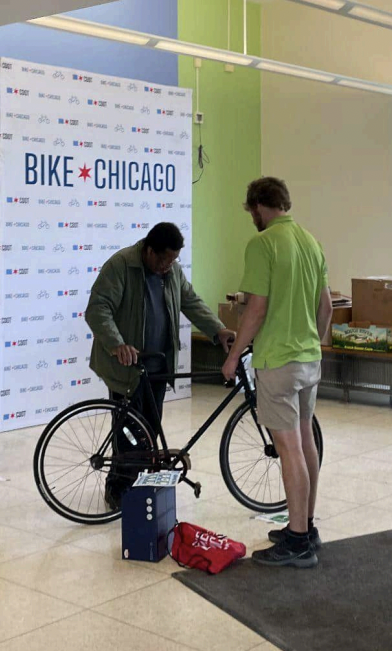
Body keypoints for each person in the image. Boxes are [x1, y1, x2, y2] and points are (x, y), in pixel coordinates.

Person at [222, 177, 331, 568]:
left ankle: (297, 540)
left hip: (276, 362)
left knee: (288, 449)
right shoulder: (311, 242)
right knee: (305, 442)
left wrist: (234, 355)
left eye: (250, 211)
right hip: (308, 359)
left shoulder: (263, 244)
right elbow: (326, 308)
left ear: (257, 207)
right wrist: (311, 343)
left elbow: (256, 309)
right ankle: (306, 525)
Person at [87, 222, 236, 508]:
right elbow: (98, 308)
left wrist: (218, 330)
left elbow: (190, 301)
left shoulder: (172, 272)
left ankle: (139, 483)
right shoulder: (121, 265)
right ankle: (117, 487)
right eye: (164, 259)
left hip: (157, 365)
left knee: (149, 431)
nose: (168, 265)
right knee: (128, 431)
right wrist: (117, 343)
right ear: (149, 250)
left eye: (173, 260)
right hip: (126, 365)